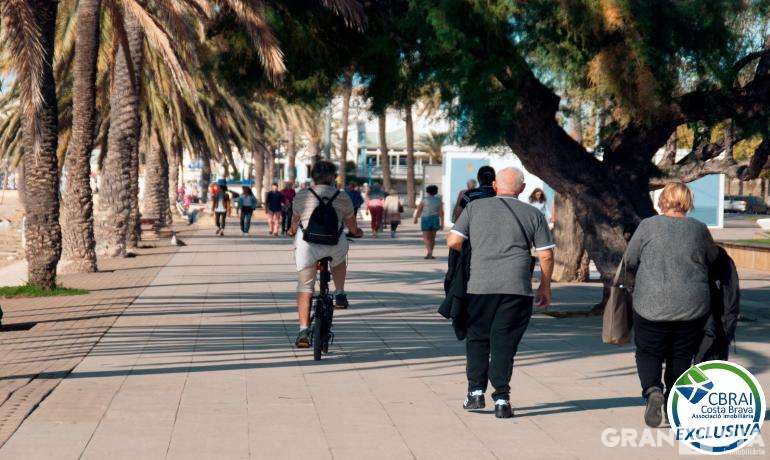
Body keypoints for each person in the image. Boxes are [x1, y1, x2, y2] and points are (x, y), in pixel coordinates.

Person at [446, 167, 554, 419]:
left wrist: (477, 251)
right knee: (504, 342)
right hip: (517, 288)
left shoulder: (474, 208)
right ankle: (502, 399)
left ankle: (475, 393)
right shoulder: (533, 214)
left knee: (478, 339)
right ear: (522, 188)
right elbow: (546, 255)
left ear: (495, 185)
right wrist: (545, 286)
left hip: (479, 286)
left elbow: (453, 241)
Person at [623, 182, 719, 428]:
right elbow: (713, 258)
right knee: (681, 354)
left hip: (650, 303)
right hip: (692, 305)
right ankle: (671, 401)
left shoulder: (647, 226)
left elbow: (630, 259)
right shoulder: (699, 229)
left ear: (662, 200)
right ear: (687, 202)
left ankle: (652, 390)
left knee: (648, 351)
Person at [289, 160, 363, 348]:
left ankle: (303, 330)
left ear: (313, 177)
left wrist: (291, 231)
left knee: (305, 286)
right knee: (339, 259)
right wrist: (357, 232)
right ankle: (339, 293)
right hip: (334, 243)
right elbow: (352, 225)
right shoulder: (342, 196)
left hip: (308, 246)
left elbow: (294, 222)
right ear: (333, 177)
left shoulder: (302, 195)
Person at [413, 185, 444, 259]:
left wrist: (416, 218)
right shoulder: (438, 200)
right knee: (432, 237)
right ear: (436, 192)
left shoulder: (424, 200)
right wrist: (442, 223)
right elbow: (441, 212)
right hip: (435, 219)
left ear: (427, 192)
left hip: (426, 219)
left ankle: (429, 252)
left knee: (426, 237)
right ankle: (430, 253)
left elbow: (419, 209)